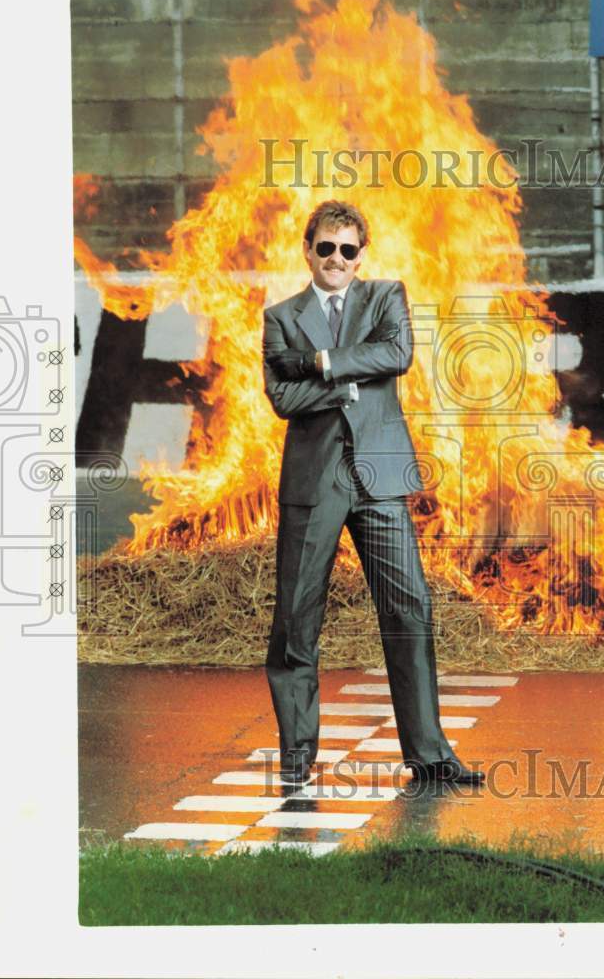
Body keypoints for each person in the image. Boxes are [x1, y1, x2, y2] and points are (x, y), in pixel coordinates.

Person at [262, 199, 485, 786]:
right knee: (296, 619)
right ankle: (297, 759)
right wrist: (348, 388)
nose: (336, 258)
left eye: (348, 249)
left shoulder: (386, 296)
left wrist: (320, 362)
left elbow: (398, 354)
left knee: (409, 608)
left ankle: (430, 756)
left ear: (360, 256)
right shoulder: (280, 316)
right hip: (314, 483)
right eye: (326, 247)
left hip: (380, 477)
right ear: (307, 249)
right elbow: (282, 400)